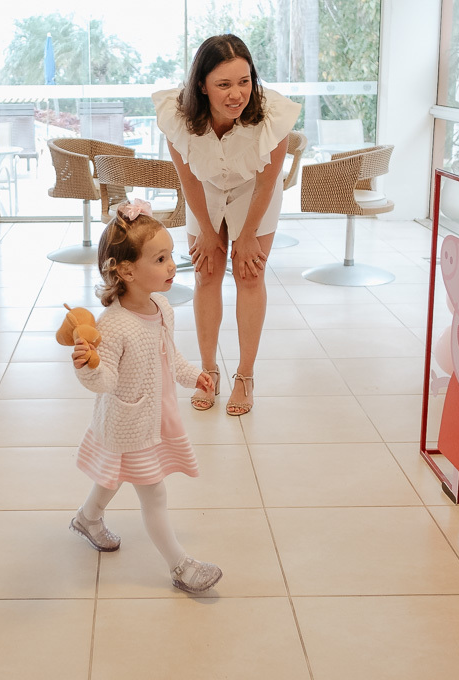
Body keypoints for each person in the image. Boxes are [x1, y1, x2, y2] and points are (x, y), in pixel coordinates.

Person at [69, 201, 222, 594]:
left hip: (157, 413)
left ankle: (88, 518)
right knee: (154, 492)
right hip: (129, 419)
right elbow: (104, 381)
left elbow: (170, 357)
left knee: (113, 476)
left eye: (171, 256)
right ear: (126, 270)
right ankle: (180, 566)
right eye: (160, 258)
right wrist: (88, 365)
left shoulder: (163, 308)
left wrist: (195, 377)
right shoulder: (115, 325)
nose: (172, 265)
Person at [153, 35, 301, 415]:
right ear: (201, 85)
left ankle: (245, 376)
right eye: (224, 84)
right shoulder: (177, 116)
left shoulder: (273, 116)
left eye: (244, 81)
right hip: (205, 190)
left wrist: (247, 235)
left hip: (255, 194)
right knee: (206, 273)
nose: (237, 94)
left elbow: (269, 181)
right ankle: (208, 371)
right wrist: (206, 229)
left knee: (250, 276)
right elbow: (187, 179)